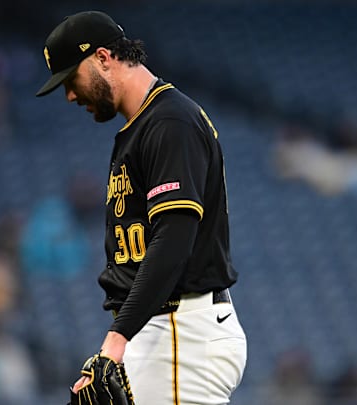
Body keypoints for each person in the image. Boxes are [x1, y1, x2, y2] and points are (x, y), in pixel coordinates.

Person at [35, 10, 247, 405]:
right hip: (162, 332)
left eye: (70, 78)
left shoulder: (170, 121)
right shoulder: (142, 125)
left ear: (103, 57)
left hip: (180, 331)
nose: (68, 94)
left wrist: (115, 343)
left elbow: (173, 239)